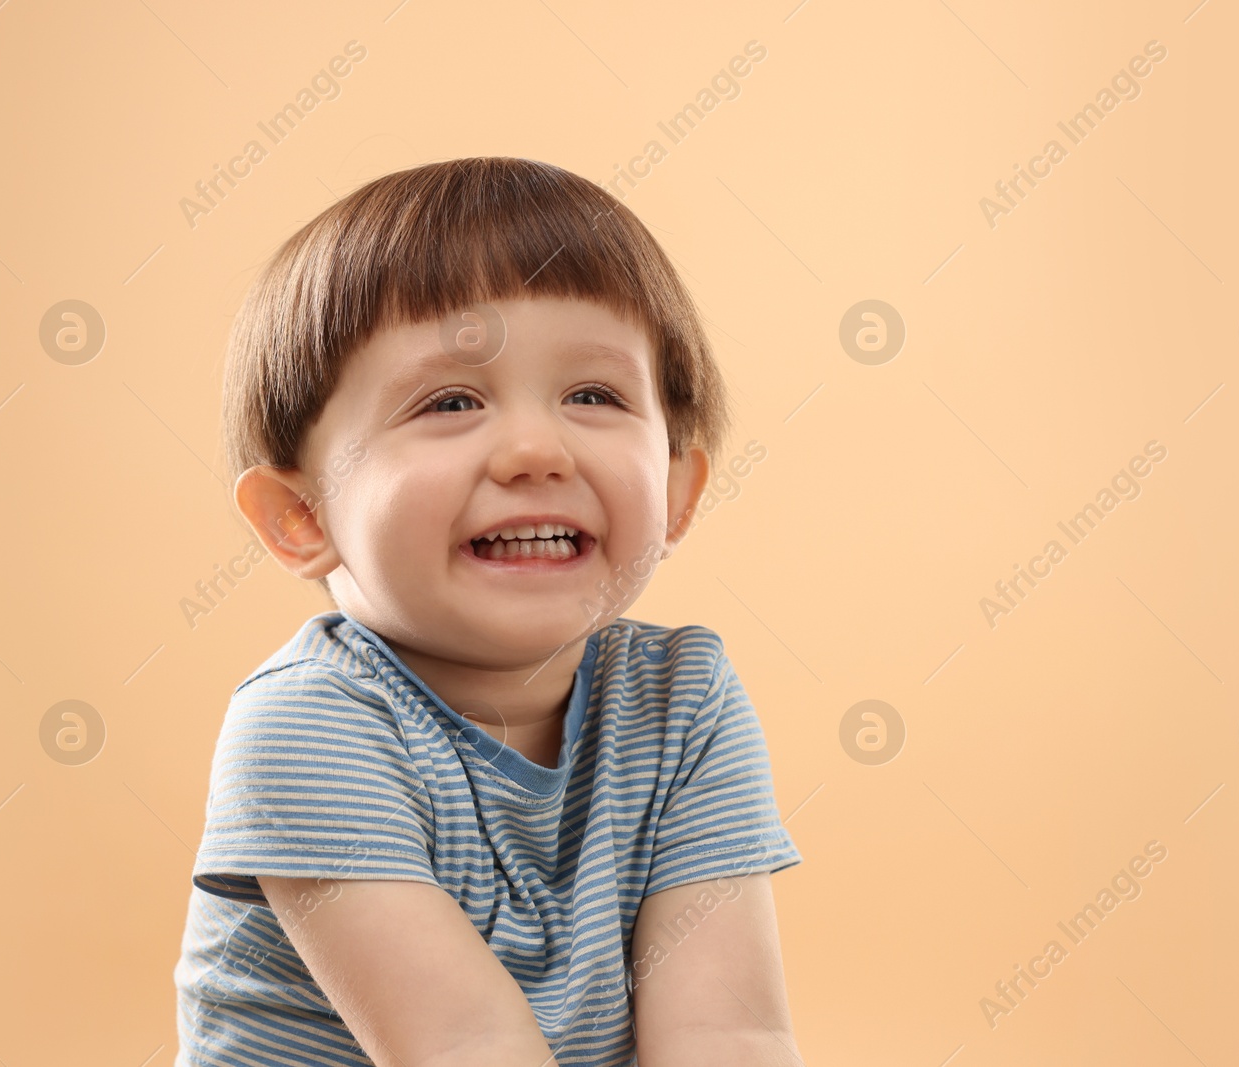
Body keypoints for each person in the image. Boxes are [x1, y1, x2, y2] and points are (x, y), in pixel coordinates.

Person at [172, 156, 804, 1066]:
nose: (535, 449)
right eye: (450, 400)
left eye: (594, 395)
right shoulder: (308, 723)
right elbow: (462, 1045)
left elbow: (729, 1032)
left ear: (676, 490)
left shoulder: (684, 702)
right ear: (302, 515)